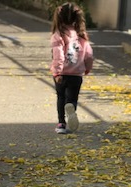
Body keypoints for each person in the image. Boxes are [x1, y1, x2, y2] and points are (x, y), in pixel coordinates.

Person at [50, 3, 94, 134]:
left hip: (62, 74)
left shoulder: (58, 35)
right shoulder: (81, 35)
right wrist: (87, 68)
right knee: (72, 98)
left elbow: (58, 55)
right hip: (76, 74)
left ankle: (61, 124)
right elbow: (89, 55)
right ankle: (71, 108)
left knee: (61, 97)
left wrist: (57, 72)